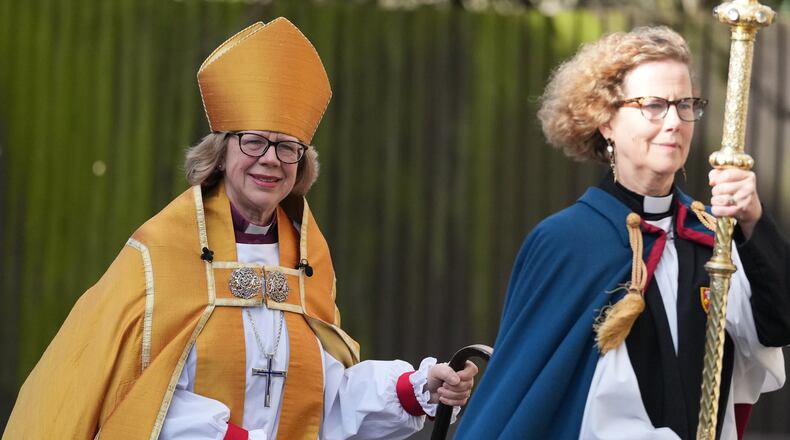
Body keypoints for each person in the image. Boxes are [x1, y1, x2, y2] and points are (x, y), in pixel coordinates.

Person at [3, 17, 477, 440]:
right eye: (255, 142)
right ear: (221, 151)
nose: (271, 159)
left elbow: (321, 401)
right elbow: (138, 393)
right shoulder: (161, 252)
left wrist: (417, 389)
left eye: (288, 148)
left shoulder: (307, 260)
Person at [456, 26, 790, 440]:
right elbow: (529, 399)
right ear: (606, 119)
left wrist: (754, 220)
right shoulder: (566, 243)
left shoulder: (710, 238)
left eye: (685, 104)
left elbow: (777, 326)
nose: (674, 122)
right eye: (653, 105)